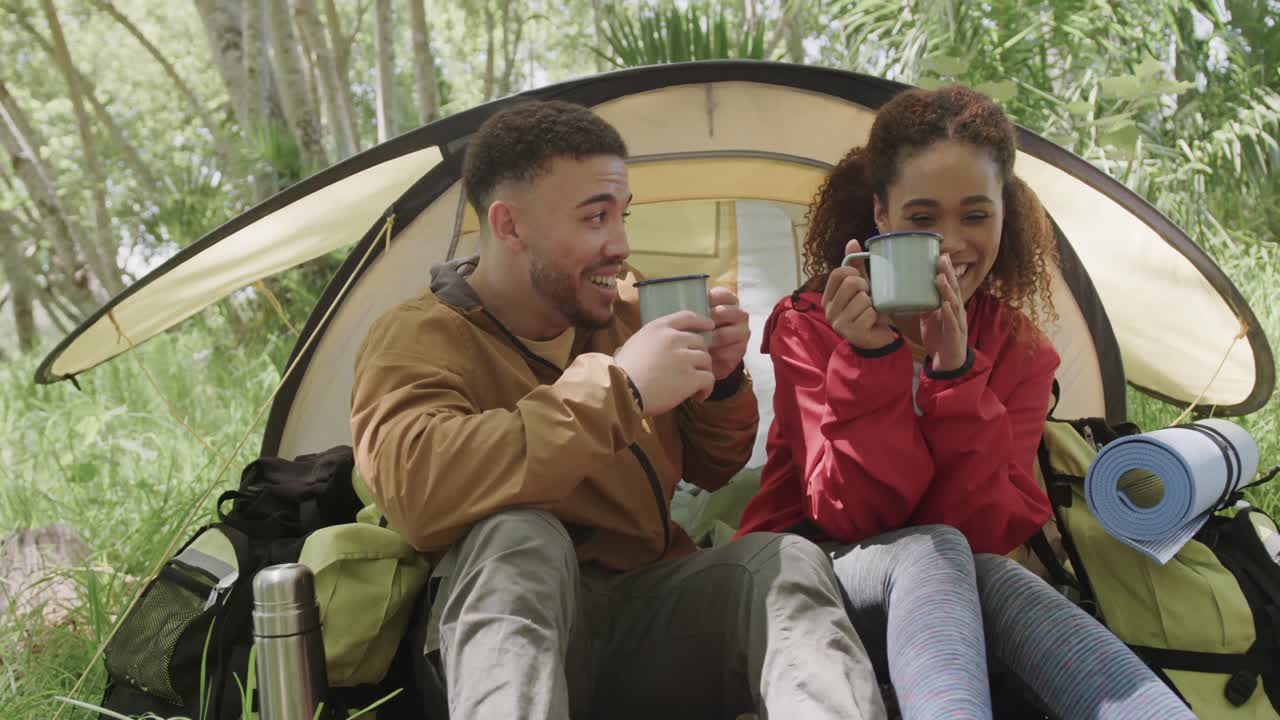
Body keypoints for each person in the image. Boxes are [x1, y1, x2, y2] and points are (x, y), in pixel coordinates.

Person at [349, 99, 887, 720]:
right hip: (499, 640)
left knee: (780, 561)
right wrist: (623, 389)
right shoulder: (415, 338)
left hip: (645, 613)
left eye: (622, 215)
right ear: (510, 226)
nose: (621, 244)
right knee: (520, 536)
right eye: (595, 218)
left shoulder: (625, 306)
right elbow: (421, 492)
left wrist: (718, 384)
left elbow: (714, 468)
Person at [735, 85, 1196, 719]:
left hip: (956, 582)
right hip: (816, 570)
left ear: (1005, 216)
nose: (950, 244)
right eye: (923, 219)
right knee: (939, 555)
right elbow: (850, 518)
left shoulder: (1018, 350)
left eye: (975, 215)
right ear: (882, 217)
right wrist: (869, 361)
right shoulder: (811, 325)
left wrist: (955, 377)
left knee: (984, 569)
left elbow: (980, 531)